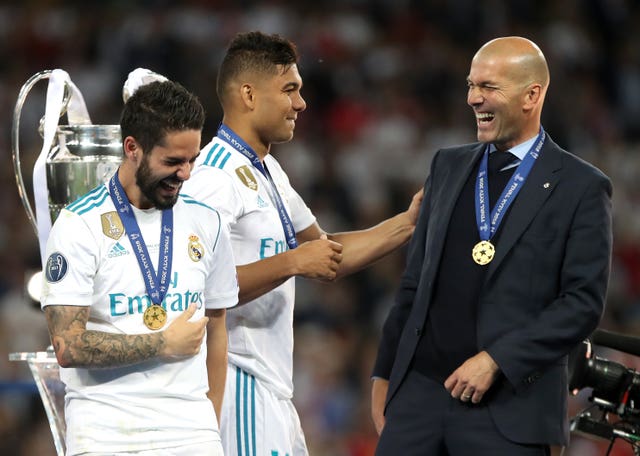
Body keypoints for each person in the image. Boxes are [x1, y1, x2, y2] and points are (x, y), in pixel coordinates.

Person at [182, 31, 422, 456]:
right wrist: (292, 262)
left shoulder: (267, 169)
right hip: (238, 383)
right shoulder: (212, 177)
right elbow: (196, 290)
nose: (301, 103)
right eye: (289, 90)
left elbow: (327, 253)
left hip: (274, 391)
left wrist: (409, 223)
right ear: (249, 95)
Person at [371, 36, 613, 456]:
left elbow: (581, 304)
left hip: (509, 411)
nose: (472, 98)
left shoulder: (582, 187)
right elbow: (414, 285)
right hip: (419, 403)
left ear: (531, 95)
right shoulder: (446, 165)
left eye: (488, 87)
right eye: (470, 85)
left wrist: (497, 359)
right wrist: (383, 379)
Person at [41, 80, 238, 456]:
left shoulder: (206, 221)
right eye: (172, 162)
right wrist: (162, 343)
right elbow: (67, 345)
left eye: (192, 159)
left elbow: (216, 325)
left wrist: (208, 424)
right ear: (132, 148)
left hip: (191, 434)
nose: (185, 174)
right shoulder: (79, 223)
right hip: (105, 434)